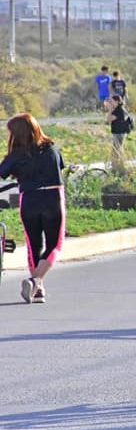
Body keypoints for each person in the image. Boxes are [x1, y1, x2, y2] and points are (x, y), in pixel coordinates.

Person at [0, 114, 66, 304]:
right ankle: (35, 281)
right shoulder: (52, 148)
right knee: (54, 244)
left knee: (33, 244)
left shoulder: (16, 155)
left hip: (29, 199)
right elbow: (59, 168)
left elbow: (2, 172)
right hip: (53, 197)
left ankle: (38, 289)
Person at [105, 95, 133, 172]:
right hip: (118, 132)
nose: (111, 103)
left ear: (117, 101)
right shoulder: (119, 109)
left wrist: (110, 110)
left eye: (112, 101)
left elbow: (109, 119)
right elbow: (108, 121)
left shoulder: (119, 110)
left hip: (119, 133)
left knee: (116, 151)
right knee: (117, 150)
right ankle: (118, 165)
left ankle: (117, 166)